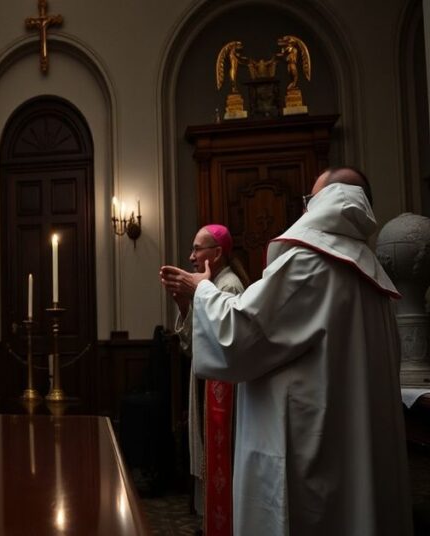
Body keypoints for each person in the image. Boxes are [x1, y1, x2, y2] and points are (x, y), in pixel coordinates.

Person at [159, 167, 412, 535]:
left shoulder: (311, 263)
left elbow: (240, 335)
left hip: (310, 453)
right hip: (351, 451)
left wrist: (202, 290)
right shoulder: (371, 276)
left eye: (311, 198)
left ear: (327, 200)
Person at [164, 224, 246, 533]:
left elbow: (224, 345)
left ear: (217, 252)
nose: (192, 256)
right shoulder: (207, 285)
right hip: (204, 387)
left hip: (221, 393)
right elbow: (191, 347)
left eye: (198, 249)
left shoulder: (229, 286)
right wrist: (183, 304)